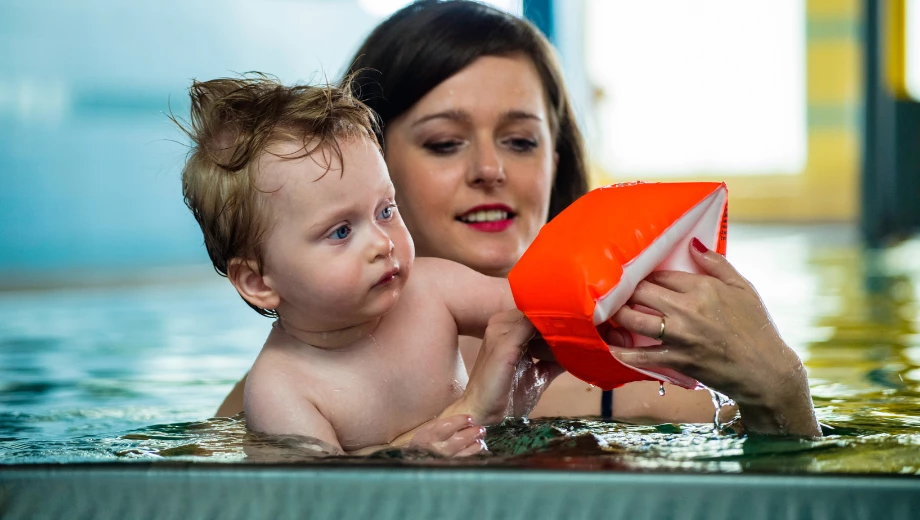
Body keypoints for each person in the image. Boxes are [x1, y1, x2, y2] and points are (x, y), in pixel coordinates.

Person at [217, 0, 821, 437]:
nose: (489, 169)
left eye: (521, 142)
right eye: (444, 143)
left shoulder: (649, 387)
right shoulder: (281, 398)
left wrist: (781, 386)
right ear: (366, 162)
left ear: (557, 164)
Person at [177, 76, 563, 455]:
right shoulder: (283, 387)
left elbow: (542, 307)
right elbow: (327, 498)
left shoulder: (432, 290)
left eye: (386, 210)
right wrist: (421, 447)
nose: (383, 242)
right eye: (341, 231)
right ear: (258, 280)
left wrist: (611, 303)